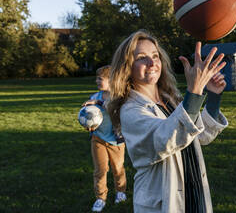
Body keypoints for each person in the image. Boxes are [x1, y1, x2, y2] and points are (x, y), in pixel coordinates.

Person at [107, 30, 228, 213]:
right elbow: (165, 139)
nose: (152, 63)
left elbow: (197, 136)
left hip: (193, 190)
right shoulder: (130, 110)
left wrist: (213, 96)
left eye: (155, 56)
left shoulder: (170, 99)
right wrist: (194, 91)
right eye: (142, 58)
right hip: (163, 202)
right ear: (127, 66)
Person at [82, 65, 127, 212]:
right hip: (98, 139)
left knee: (118, 168)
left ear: (111, 80)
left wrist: (98, 103)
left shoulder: (118, 97)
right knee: (100, 170)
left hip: (116, 141)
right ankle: (100, 198)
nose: (97, 81)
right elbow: (86, 115)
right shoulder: (94, 97)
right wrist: (88, 125)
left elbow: (113, 108)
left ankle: (120, 192)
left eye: (100, 78)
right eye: (97, 78)